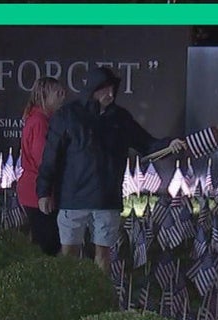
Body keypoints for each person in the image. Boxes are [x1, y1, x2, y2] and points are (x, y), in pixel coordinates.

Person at [36, 66, 186, 272]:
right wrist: (44, 191)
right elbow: (51, 156)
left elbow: (147, 144)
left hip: (106, 199)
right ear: (91, 89)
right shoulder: (67, 115)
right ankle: (66, 297)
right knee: (69, 254)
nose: (110, 94)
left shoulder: (120, 118)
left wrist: (169, 145)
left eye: (112, 89)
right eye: (103, 89)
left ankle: (100, 298)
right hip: (73, 198)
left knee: (103, 255)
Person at [17, 77, 66, 256]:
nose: (63, 97)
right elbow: (44, 160)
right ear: (44, 96)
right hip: (37, 192)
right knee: (48, 245)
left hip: (35, 190)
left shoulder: (39, 119)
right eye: (58, 93)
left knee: (45, 242)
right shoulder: (40, 123)